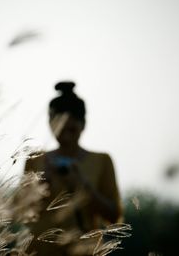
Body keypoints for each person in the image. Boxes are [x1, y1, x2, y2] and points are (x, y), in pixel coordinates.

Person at [24, 81, 123, 255]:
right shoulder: (35, 160)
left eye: (71, 126)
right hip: (39, 250)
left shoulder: (102, 161)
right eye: (60, 125)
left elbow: (114, 216)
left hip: (84, 250)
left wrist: (83, 187)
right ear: (50, 124)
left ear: (83, 123)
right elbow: (22, 213)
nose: (65, 132)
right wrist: (42, 184)